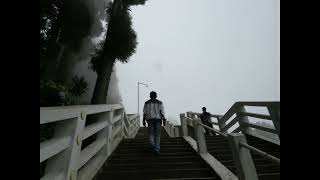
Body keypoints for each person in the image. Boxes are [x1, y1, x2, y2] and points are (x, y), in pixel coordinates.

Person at [143, 91, 166, 156]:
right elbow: (162, 112)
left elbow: (144, 112)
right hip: (158, 120)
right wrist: (164, 119)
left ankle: (152, 144)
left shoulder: (146, 103)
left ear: (150, 96)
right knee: (157, 135)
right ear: (156, 96)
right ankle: (156, 149)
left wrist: (143, 120)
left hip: (150, 120)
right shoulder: (160, 103)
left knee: (151, 134)